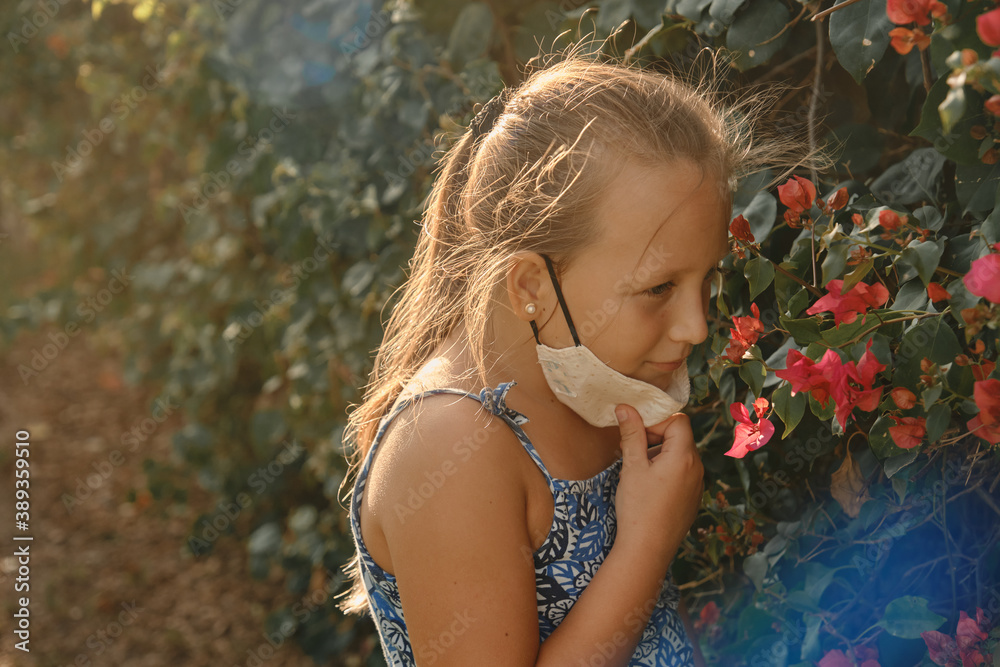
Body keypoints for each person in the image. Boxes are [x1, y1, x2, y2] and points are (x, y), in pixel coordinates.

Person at [339, 45, 807, 666]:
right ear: (531, 286)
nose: (696, 327)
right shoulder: (449, 450)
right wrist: (648, 542)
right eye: (659, 288)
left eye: (707, 281)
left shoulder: (593, 386)